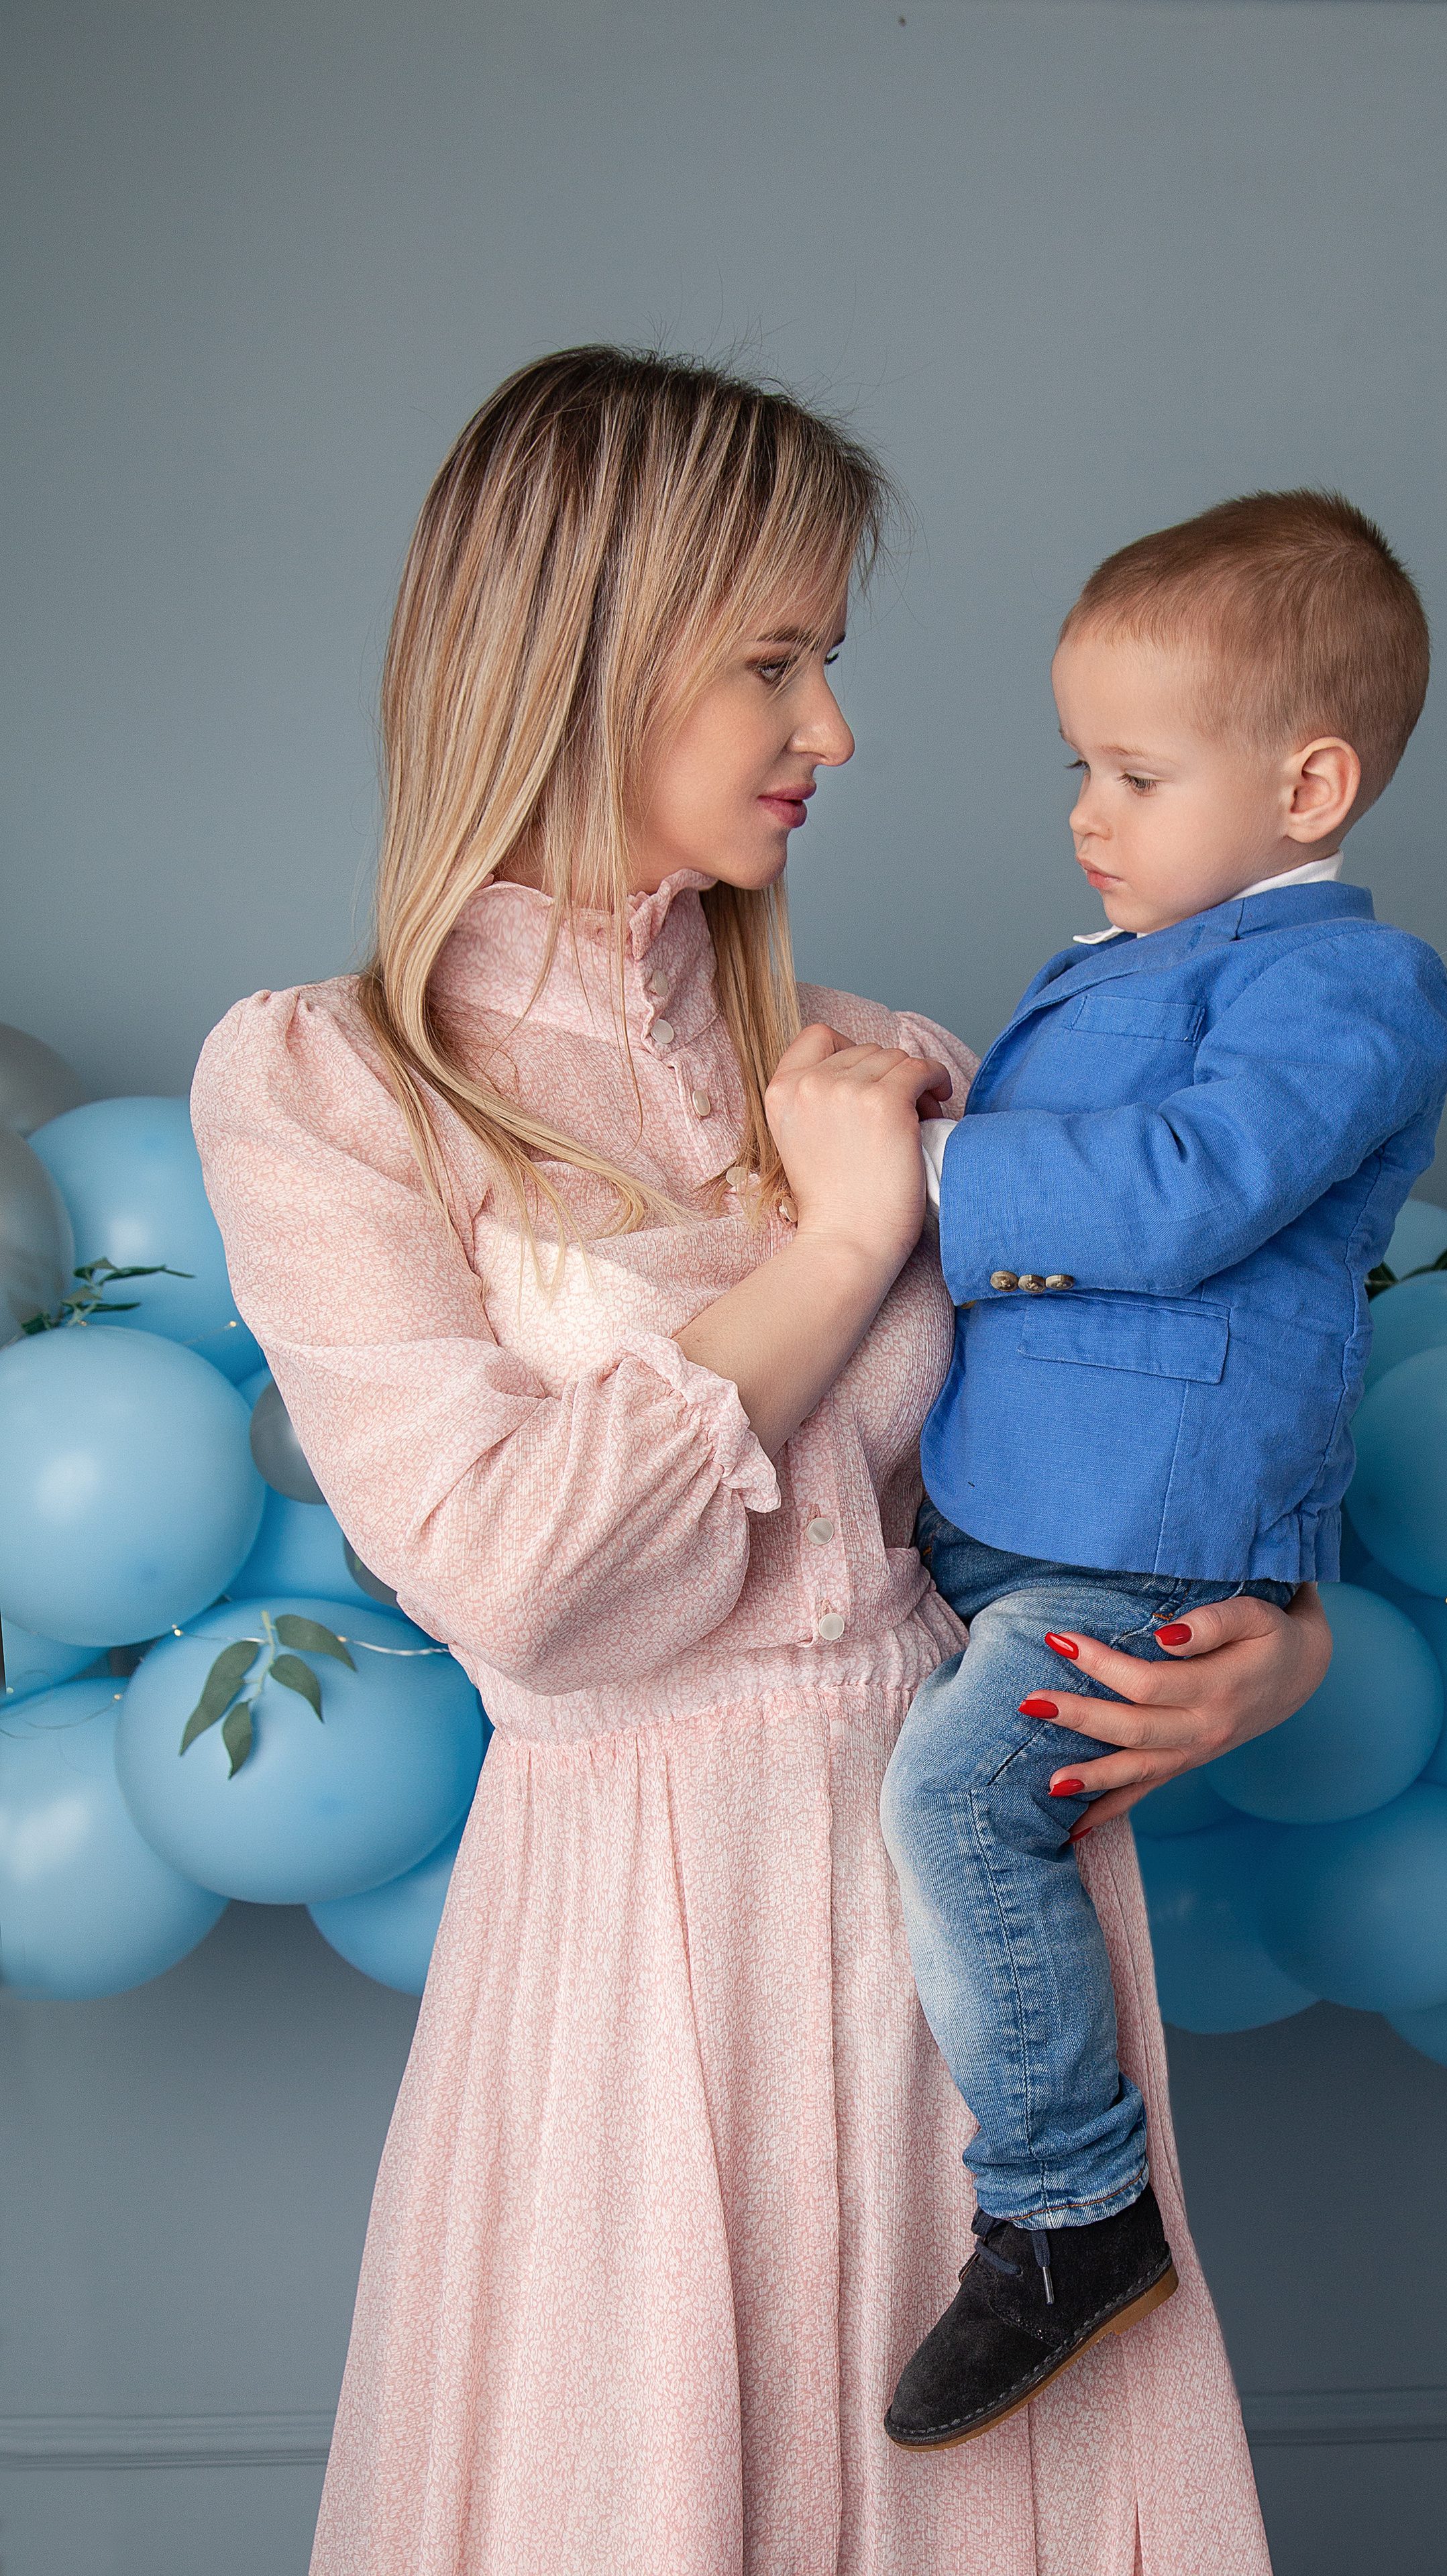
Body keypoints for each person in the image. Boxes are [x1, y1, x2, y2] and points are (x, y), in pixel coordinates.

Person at [191, 349, 1332, 2575]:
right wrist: (836, 1247)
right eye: (775, 660)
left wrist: (1277, 1646)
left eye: (833, 660)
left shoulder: (896, 1066)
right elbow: (517, 1575)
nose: (833, 730)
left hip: (975, 1969)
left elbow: (1169, 1425)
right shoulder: (330, 1089)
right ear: (592, 646)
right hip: (635, 1974)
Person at [879, 494, 1447, 2451]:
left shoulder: (1347, 988)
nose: (1084, 813)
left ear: (1308, 783)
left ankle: (1068, 2209)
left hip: (1140, 1536)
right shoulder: (1130, 956)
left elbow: (1196, 1184)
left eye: (1135, 772)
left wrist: (932, 1172)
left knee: (960, 1806)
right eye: (1079, 767)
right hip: (1002, 1501)